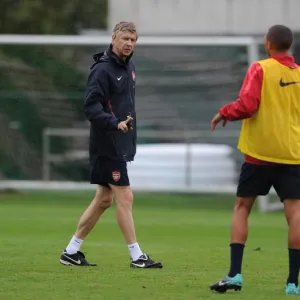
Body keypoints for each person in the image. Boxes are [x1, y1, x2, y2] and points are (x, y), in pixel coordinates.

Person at [59, 21, 162, 269]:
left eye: (133, 40)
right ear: (114, 38)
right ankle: (137, 256)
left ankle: (71, 251)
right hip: (107, 143)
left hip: (120, 141)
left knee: (104, 199)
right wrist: (114, 123)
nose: (129, 44)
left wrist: (125, 129)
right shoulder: (102, 70)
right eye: (125, 38)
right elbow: (91, 108)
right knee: (124, 196)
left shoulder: (130, 66)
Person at [210, 24, 300, 295]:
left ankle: (235, 275)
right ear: (290, 45)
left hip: (260, 153)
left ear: (269, 44)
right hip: (293, 154)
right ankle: (293, 283)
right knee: (295, 213)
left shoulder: (260, 68)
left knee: (242, 208)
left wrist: (224, 112)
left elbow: (247, 105)